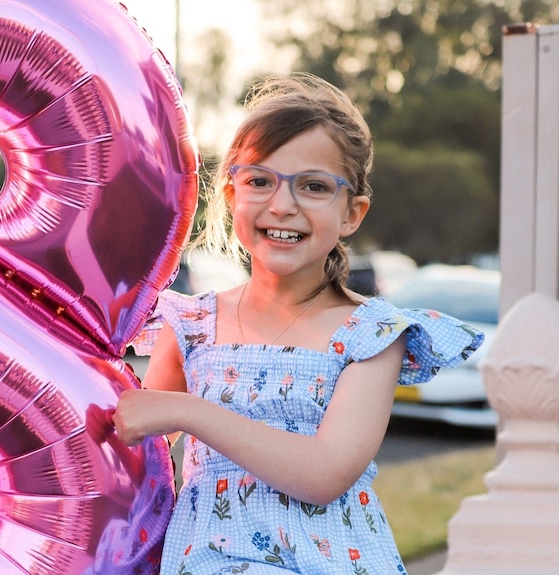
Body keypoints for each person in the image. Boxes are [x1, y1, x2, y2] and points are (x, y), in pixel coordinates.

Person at [110, 73, 484, 574]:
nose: (282, 205)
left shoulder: (371, 335)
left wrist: (188, 412)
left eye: (313, 186)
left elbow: (324, 473)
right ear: (231, 195)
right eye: (259, 181)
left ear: (352, 213)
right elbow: (128, 461)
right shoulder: (193, 324)